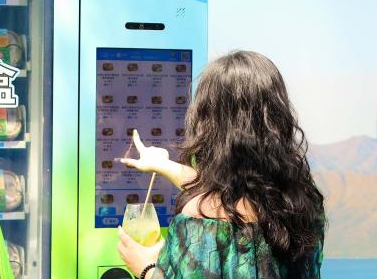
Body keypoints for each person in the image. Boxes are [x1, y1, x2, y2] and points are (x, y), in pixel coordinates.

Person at [118, 51, 325, 279]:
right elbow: (228, 196)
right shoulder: (302, 202)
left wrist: (146, 268)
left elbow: (215, 203)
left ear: (208, 123)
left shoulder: (200, 221)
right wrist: (164, 165)